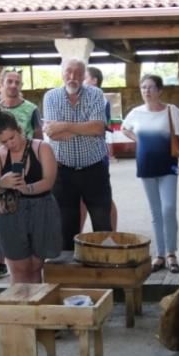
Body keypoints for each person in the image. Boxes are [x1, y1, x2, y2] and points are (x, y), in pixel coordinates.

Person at [0, 68, 41, 283]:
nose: (13, 85)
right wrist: (6, 132)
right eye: (9, 81)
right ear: (1, 84)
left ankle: (28, 258)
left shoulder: (31, 108)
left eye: (17, 82)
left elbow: (38, 135)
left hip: (26, 165)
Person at [0, 105, 62, 283]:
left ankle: (34, 308)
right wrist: (1, 183)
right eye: (4, 141)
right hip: (11, 215)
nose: (10, 144)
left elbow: (49, 181)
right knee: (19, 269)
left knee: (35, 267)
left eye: (12, 137)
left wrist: (28, 189)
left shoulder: (41, 147)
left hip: (41, 211)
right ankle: (20, 309)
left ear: (19, 129)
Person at [43, 58, 113, 251]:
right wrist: (84, 127)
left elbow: (98, 128)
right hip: (63, 172)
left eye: (78, 73)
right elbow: (53, 134)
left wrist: (64, 125)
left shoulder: (96, 94)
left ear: (84, 76)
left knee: (102, 224)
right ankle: (70, 274)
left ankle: (105, 270)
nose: (72, 77)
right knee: (66, 227)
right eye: (68, 72)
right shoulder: (51, 96)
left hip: (94, 170)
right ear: (62, 73)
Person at [121, 73, 179, 273]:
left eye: (150, 87)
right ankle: (159, 254)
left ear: (159, 90)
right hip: (146, 165)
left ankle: (171, 253)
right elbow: (125, 128)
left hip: (168, 165)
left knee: (168, 208)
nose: (146, 91)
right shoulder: (135, 113)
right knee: (155, 212)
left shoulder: (171, 110)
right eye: (143, 87)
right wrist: (139, 140)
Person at [82, 65, 118, 231]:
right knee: (80, 198)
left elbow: (96, 127)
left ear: (94, 80)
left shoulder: (100, 99)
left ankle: (112, 234)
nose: (81, 81)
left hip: (96, 153)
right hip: (82, 153)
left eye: (85, 77)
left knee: (103, 198)